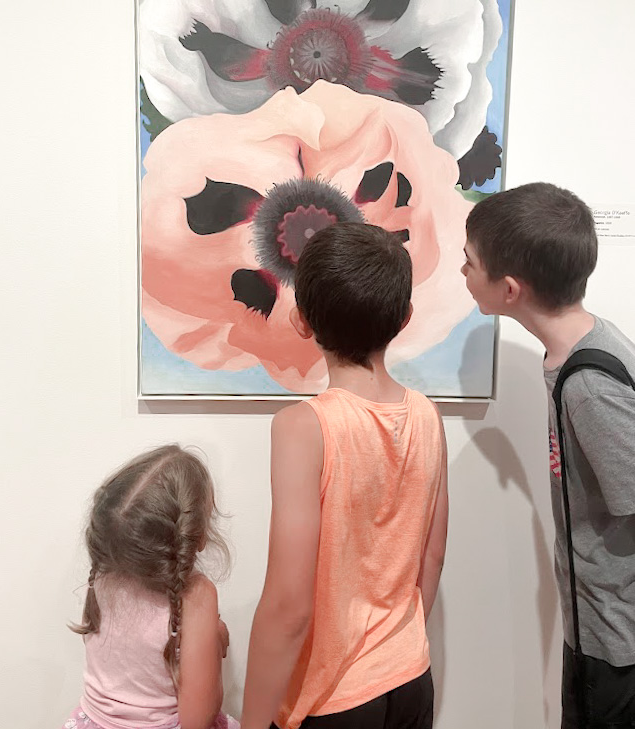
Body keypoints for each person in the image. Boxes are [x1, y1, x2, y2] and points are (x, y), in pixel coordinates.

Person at [241, 222, 449, 729]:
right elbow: (432, 557)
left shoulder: (303, 427)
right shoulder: (427, 415)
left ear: (301, 320)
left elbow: (289, 605)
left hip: (334, 700)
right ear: (404, 318)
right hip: (410, 677)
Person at [463, 182, 635, 727]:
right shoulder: (581, 353)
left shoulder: (589, 384)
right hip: (597, 630)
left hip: (616, 646)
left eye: (468, 263)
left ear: (509, 289)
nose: (461, 274)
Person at [60, 444, 239, 729]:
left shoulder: (101, 577)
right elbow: (198, 719)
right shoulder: (195, 595)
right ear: (197, 534)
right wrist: (212, 641)